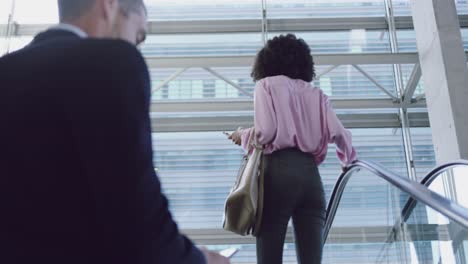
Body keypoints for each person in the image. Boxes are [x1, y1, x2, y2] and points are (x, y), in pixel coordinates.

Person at [0, 0, 228, 263]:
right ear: (108, 6)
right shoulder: (113, 62)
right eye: (138, 35)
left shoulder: (6, 70)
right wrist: (202, 260)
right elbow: (137, 221)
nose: (135, 45)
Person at [228, 34, 357, 264]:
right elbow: (340, 134)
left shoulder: (265, 86)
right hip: (311, 178)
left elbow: (265, 132)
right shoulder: (317, 95)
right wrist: (347, 163)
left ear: (266, 62)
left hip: (277, 174)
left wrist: (243, 135)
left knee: (269, 256)